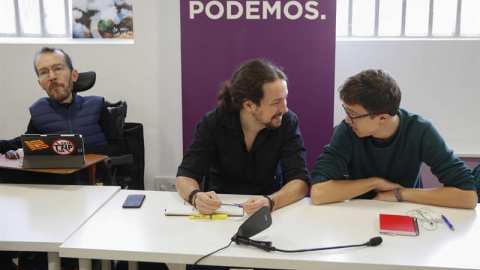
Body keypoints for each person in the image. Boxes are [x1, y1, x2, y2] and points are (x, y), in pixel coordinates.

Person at [310, 69, 477, 209]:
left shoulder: (420, 131)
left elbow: (468, 196)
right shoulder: (347, 130)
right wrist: (375, 183)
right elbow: (318, 192)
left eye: (353, 114)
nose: (347, 120)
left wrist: (400, 194)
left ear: (383, 118)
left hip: (404, 210)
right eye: (346, 111)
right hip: (357, 211)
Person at [176, 59, 311, 217]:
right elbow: (185, 175)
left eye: (285, 98)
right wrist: (196, 197)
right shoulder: (214, 122)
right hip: (220, 209)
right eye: (276, 102)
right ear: (248, 105)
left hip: (270, 210)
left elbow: (300, 181)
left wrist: (271, 201)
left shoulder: (288, 122)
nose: (285, 109)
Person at [0, 47, 125, 185]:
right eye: (44, 72)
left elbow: (118, 147)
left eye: (58, 68)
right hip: (57, 185)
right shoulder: (39, 110)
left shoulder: (96, 105)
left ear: (74, 75)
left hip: (95, 182)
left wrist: (75, 152)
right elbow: (27, 143)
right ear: (40, 83)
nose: (52, 76)